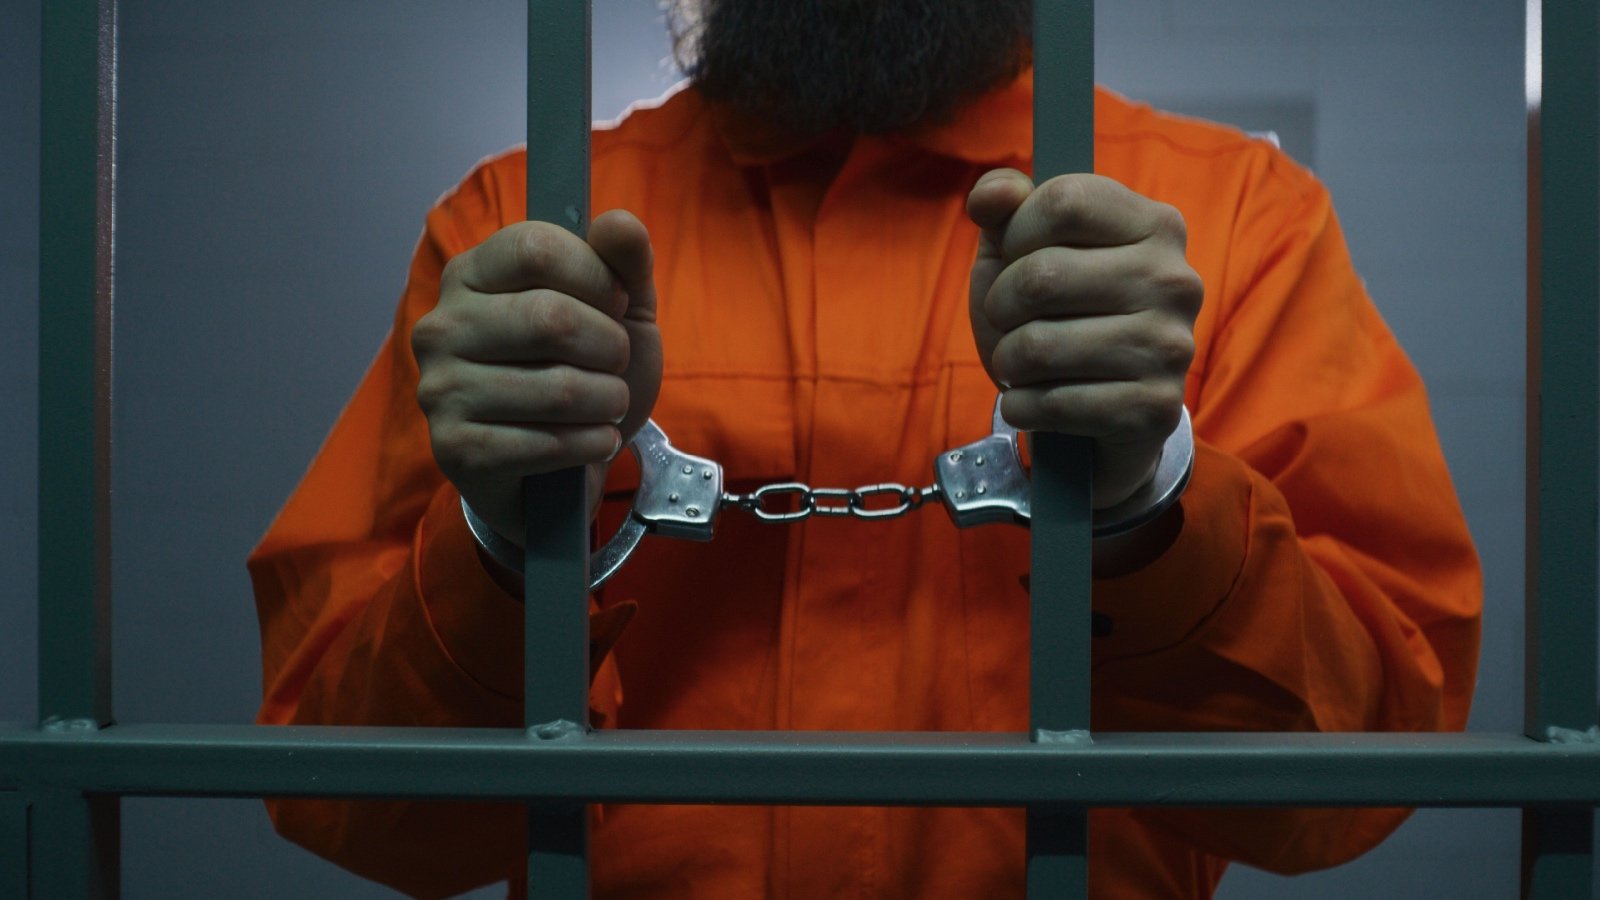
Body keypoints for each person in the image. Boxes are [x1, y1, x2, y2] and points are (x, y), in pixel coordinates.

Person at [248, 1, 1483, 896]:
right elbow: (359, 806)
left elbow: (1354, 776)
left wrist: (1150, 498)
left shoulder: (1232, 222)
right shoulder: (523, 239)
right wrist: (509, 547)